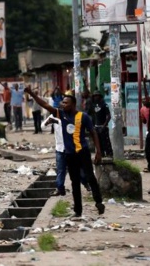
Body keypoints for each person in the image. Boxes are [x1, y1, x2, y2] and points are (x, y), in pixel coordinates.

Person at [25, 85, 105, 217]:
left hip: (82, 152)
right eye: (62, 102)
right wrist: (32, 94)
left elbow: (93, 133)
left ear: (73, 105)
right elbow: (45, 105)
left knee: (90, 177)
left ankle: (98, 202)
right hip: (69, 154)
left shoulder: (83, 116)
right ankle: (77, 211)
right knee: (74, 183)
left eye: (65, 103)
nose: (62, 104)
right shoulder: (60, 114)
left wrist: (98, 151)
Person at [90, 90, 113, 157]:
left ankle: (109, 155)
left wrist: (104, 126)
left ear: (100, 97)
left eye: (97, 96)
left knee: (106, 142)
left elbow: (109, 116)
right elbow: (92, 116)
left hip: (103, 127)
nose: (96, 97)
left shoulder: (104, 105)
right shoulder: (93, 105)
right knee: (98, 143)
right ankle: (101, 155)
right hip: (96, 127)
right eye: (95, 96)